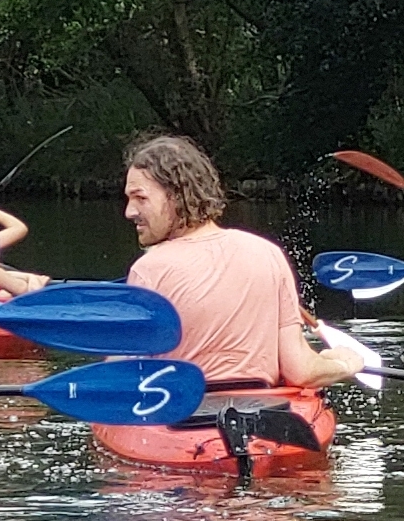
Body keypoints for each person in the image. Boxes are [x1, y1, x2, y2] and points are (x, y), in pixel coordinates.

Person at [121, 134, 361, 390]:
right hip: (263, 414)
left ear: (177, 195)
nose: (129, 211)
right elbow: (300, 371)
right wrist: (342, 363)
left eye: (140, 198)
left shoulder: (148, 270)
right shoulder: (268, 253)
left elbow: (125, 376)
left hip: (182, 418)